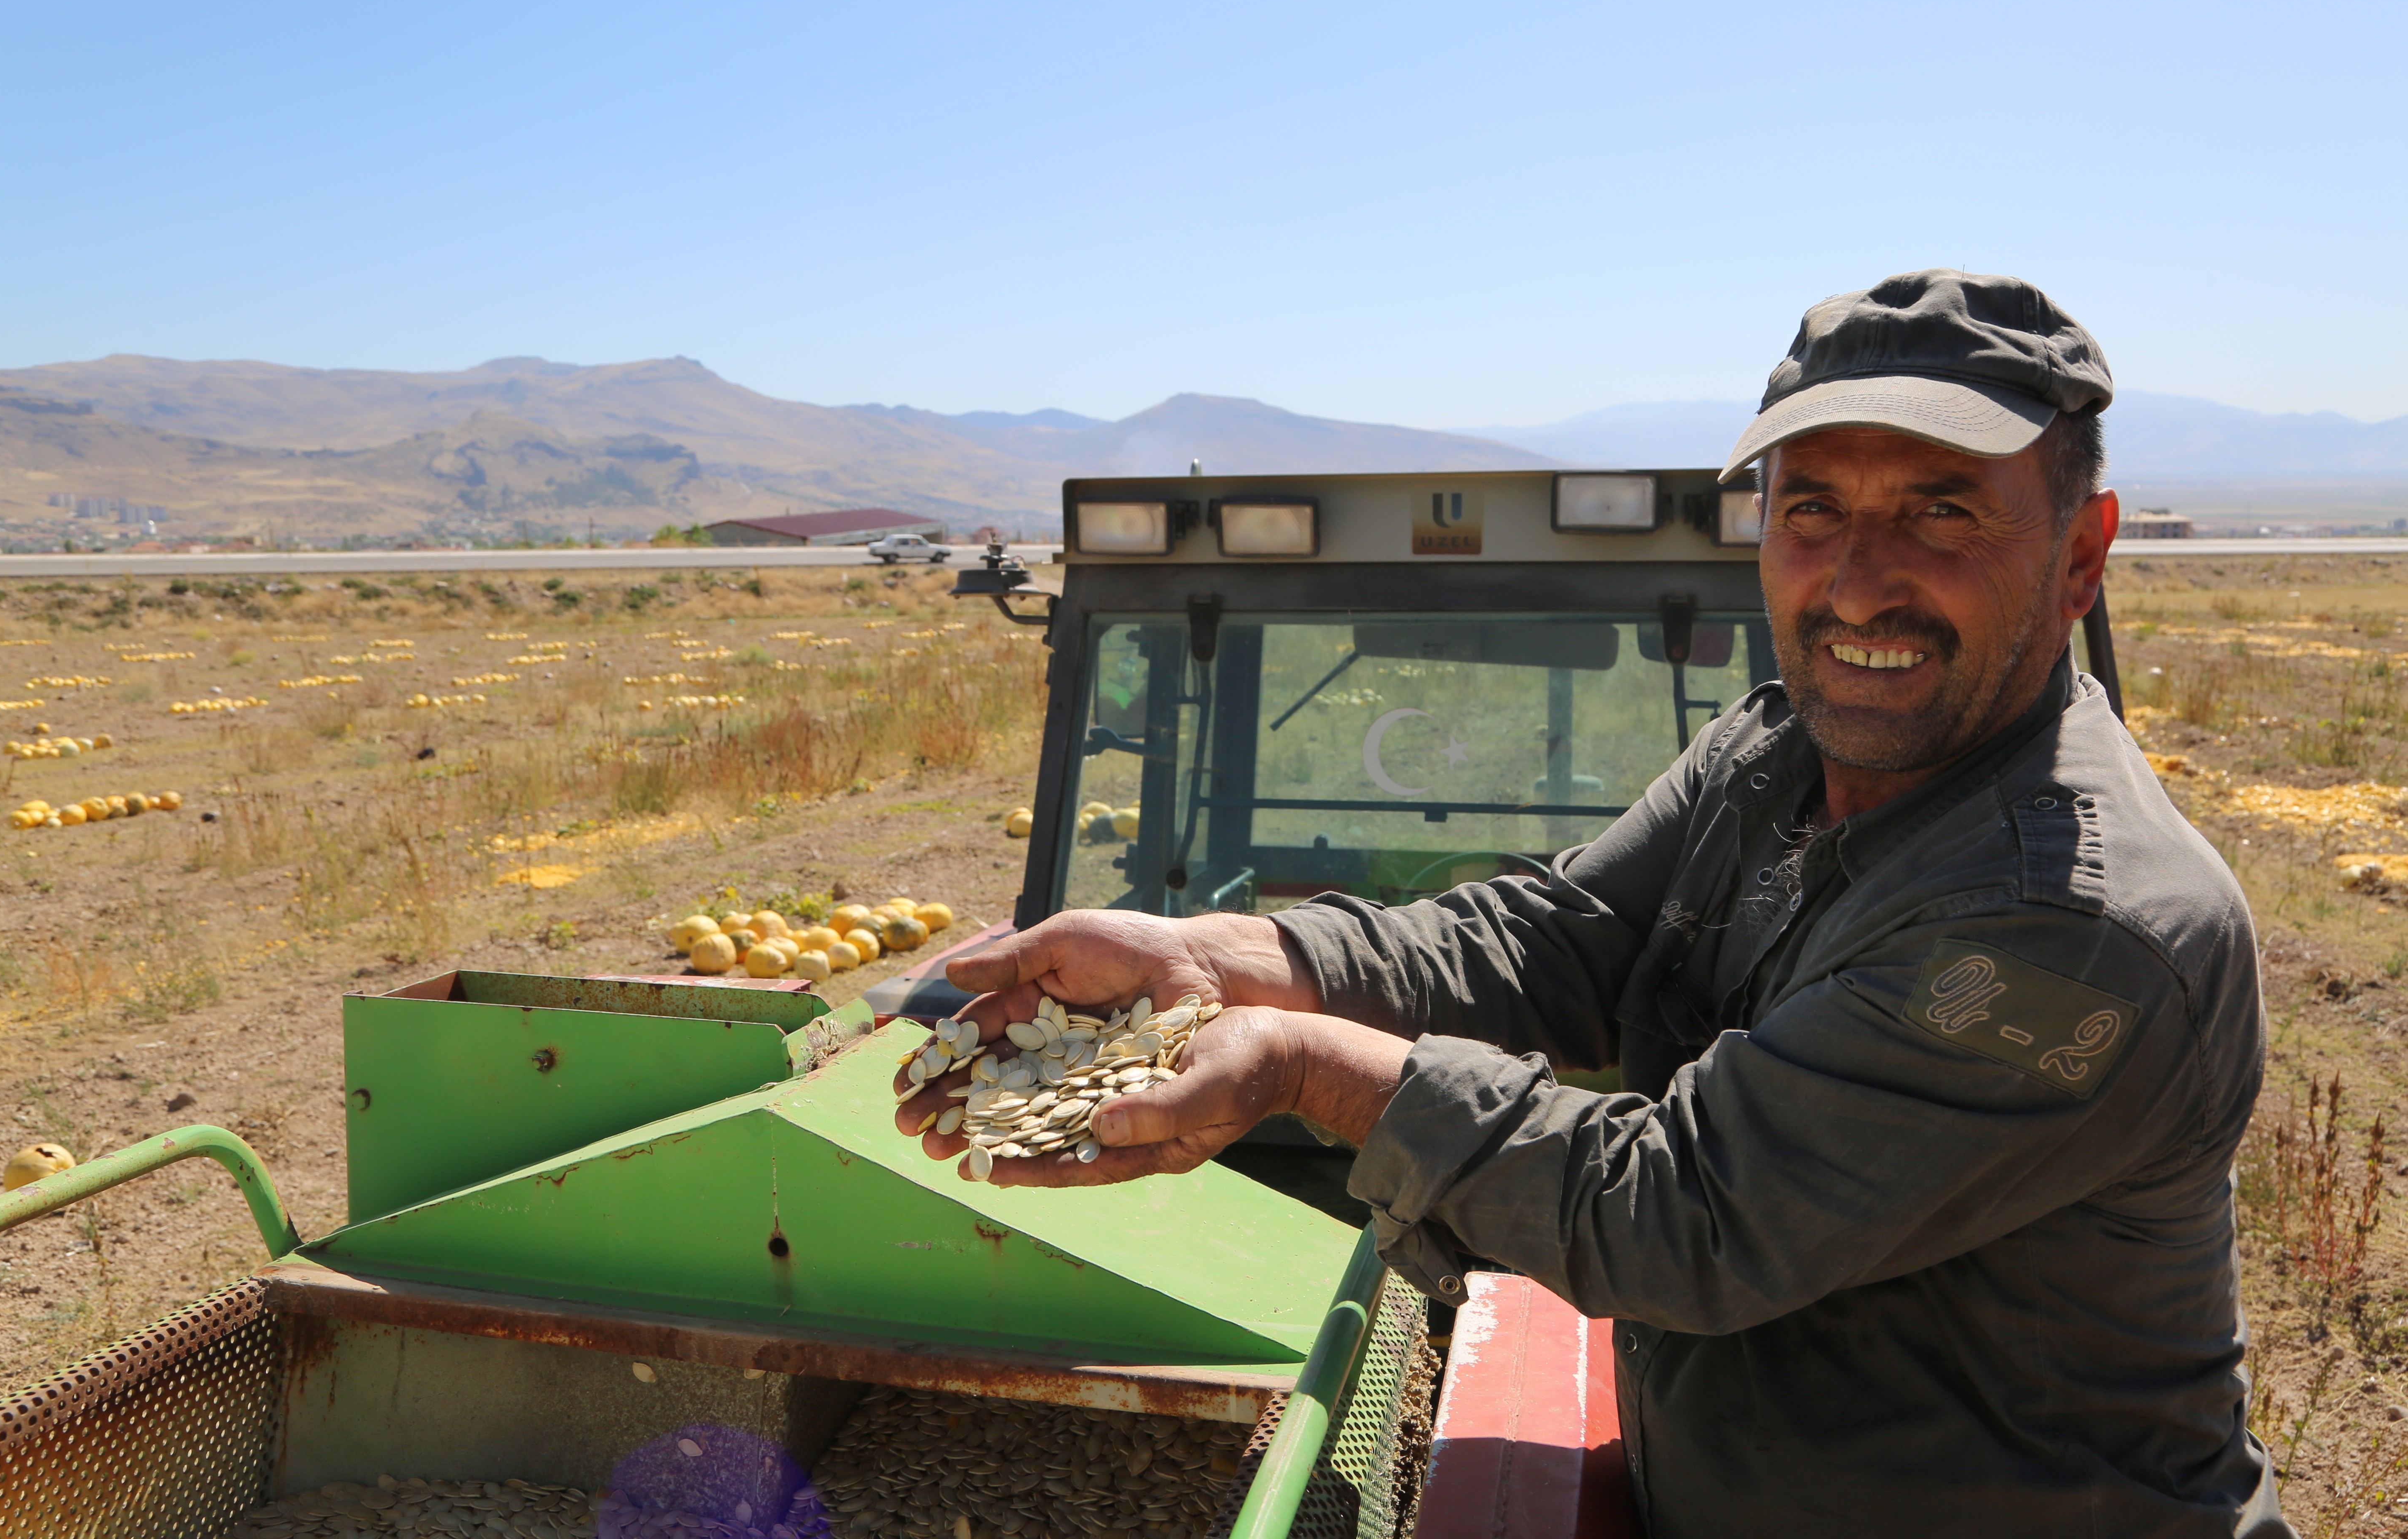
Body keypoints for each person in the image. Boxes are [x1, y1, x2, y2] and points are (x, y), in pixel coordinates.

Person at [897, 269, 2285, 1536]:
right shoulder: (1782, 755)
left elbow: (1688, 1214)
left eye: (1941, 509)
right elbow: (1550, 937)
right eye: (1814, 508)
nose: (1861, 575)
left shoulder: (2070, 928)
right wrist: (1233, 950)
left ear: (2080, 552)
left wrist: (1313, 1069)